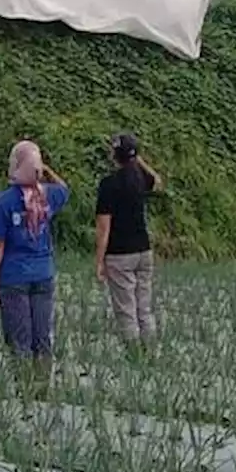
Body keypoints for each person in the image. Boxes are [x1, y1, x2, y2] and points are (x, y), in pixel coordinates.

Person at [0, 141, 69, 372]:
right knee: (42, 340)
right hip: (44, 274)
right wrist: (46, 171)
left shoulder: (3, 202)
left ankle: (24, 393)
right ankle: (42, 390)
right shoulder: (49, 196)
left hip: (13, 278)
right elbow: (65, 188)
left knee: (19, 342)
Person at [94, 133, 163, 347]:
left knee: (126, 310)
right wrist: (138, 160)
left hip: (120, 253)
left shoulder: (108, 185)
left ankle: (133, 356)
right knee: (144, 307)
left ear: (114, 155)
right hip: (144, 250)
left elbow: (103, 229)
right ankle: (150, 350)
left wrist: (99, 261)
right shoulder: (141, 178)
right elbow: (158, 181)